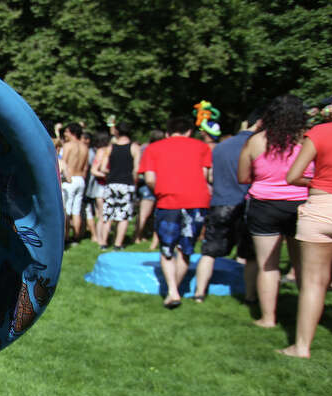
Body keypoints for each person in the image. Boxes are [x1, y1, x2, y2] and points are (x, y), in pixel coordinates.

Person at [281, 75, 332, 358]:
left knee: (314, 282)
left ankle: (301, 347)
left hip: (324, 211)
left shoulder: (322, 132)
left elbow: (293, 176)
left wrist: (318, 182)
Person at [237, 96, 309, 328]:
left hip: (265, 206)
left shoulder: (256, 141)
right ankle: (305, 316)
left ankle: (268, 318)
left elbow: (243, 177)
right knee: (303, 266)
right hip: (301, 205)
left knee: (268, 265)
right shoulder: (309, 140)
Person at [139, 115, 213, 308]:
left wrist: (163, 190)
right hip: (197, 201)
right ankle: (176, 290)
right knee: (185, 249)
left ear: (167, 131)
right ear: (189, 131)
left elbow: (149, 179)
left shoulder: (153, 148)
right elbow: (205, 175)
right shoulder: (202, 147)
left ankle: (172, 291)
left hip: (168, 202)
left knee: (167, 249)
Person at [193, 112, 259, 303]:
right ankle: (250, 296)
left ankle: (199, 293)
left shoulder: (220, 147)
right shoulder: (257, 146)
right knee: (250, 256)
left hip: (220, 202)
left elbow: (211, 176)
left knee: (209, 252)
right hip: (246, 203)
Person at [93, 125, 137, 249]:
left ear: (117, 132)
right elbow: (136, 169)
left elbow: (102, 168)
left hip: (111, 183)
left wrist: (111, 173)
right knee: (123, 216)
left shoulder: (110, 148)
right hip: (127, 183)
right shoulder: (134, 147)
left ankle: (103, 243)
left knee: (108, 214)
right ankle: (118, 244)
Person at [59, 123, 88, 246]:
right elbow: (86, 167)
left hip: (69, 180)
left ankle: (66, 238)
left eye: (66, 131)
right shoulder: (85, 147)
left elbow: (62, 163)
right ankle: (77, 236)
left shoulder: (68, 146)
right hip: (80, 179)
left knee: (67, 210)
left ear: (71, 132)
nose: (65, 134)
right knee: (77, 209)